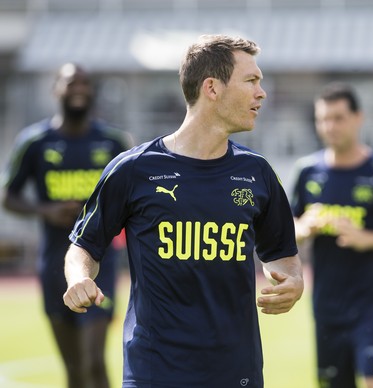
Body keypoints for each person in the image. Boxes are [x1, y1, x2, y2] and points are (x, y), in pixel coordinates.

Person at [62, 34, 304, 388]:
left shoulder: (258, 173)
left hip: (236, 370)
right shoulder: (133, 169)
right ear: (212, 88)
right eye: (251, 80)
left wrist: (293, 283)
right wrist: (78, 277)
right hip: (154, 371)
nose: (261, 93)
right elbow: (84, 245)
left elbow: (283, 257)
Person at [0, 63, 131, 388]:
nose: (79, 89)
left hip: (99, 264)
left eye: (85, 83)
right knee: (73, 370)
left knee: (93, 363)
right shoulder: (35, 141)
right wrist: (46, 210)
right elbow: (8, 196)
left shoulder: (113, 141)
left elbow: (136, 197)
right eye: (71, 83)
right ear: (55, 89)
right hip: (53, 264)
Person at [289, 82, 373, 388]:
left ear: (358, 117)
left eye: (338, 118)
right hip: (327, 306)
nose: (329, 126)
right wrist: (304, 228)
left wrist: (368, 238)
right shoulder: (306, 172)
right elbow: (286, 232)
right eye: (323, 119)